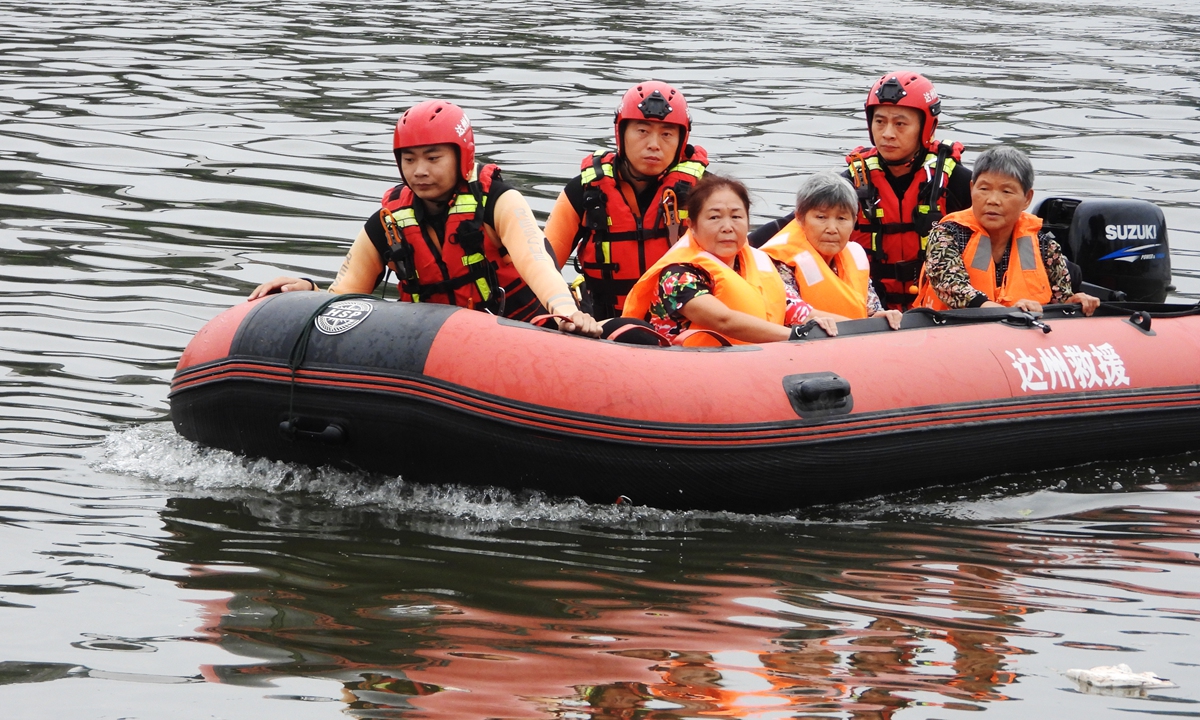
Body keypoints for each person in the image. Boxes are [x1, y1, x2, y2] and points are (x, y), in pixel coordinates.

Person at [249, 100, 601, 337]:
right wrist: (306, 292)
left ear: (462, 157)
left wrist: (564, 310)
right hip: (434, 347)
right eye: (410, 159)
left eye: (433, 158)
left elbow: (538, 262)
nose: (419, 171)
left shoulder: (498, 202)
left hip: (518, 333)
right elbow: (343, 296)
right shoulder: (387, 223)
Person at [749, 71, 971, 310]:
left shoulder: (957, 182)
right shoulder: (853, 181)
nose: (887, 133)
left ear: (926, 127)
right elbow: (794, 223)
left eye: (900, 123)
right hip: (875, 311)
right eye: (880, 121)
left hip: (941, 311)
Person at [543, 81, 709, 320]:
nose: (654, 144)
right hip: (600, 324)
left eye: (666, 134)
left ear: (681, 141)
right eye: (642, 131)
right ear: (621, 134)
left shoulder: (706, 193)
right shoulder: (583, 191)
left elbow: (734, 267)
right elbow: (543, 268)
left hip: (680, 327)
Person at [621, 174, 838, 344]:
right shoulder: (677, 276)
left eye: (736, 216)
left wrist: (861, 326)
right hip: (687, 369)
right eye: (714, 217)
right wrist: (795, 335)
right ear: (692, 226)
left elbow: (800, 311)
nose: (727, 227)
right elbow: (723, 320)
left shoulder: (758, 264)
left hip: (752, 362)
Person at [914, 145, 1100, 315]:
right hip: (949, 332)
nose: (993, 200)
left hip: (1019, 336)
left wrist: (1073, 301)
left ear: (1027, 199)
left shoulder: (1045, 245)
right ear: (972, 189)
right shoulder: (946, 234)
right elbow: (951, 286)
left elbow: (1060, 296)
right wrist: (1008, 312)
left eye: (1006, 192)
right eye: (984, 188)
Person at [760, 173, 903, 329]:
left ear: (854, 221)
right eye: (821, 217)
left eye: (842, 219)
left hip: (852, 342)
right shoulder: (778, 261)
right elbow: (796, 313)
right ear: (800, 218)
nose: (832, 229)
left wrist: (881, 318)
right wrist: (864, 327)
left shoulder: (855, 257)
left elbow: (871, 310)